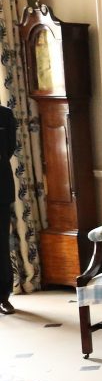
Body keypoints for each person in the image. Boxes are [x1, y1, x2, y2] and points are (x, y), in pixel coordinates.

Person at [1, 103, 16, 315]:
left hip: (0, 189)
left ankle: (3, 296)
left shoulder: (5, 115)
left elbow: (9, 149)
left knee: (1, 245)